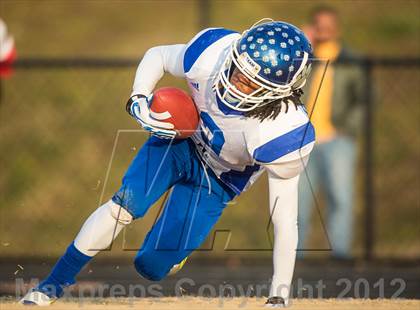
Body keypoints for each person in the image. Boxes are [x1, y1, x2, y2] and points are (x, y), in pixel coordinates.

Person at [21, 19, 315, 307]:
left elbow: (285, 220)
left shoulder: (284, 132)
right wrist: (138, 97)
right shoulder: (212, 53)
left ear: (280, 91)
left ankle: (173, 252)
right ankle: (50, 287)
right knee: (124, 206)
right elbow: (158, 55)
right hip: (179, 142)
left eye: (250, 82)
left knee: (151, 266)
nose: (234, 80)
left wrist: (279, 297)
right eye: (237, 68)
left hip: (217, 180)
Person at [298, 6, 366, 259]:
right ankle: (293, 257)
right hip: (303, 141)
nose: (324, 29)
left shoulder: (351, 60)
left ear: (337, 27)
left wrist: (347, 128)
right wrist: (302, 46)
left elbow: (365, 99)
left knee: (340, 198)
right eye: (319, 24)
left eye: (328, 24)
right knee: (297, 203)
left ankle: (341, 255)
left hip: (338, 140)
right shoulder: (303, 60)